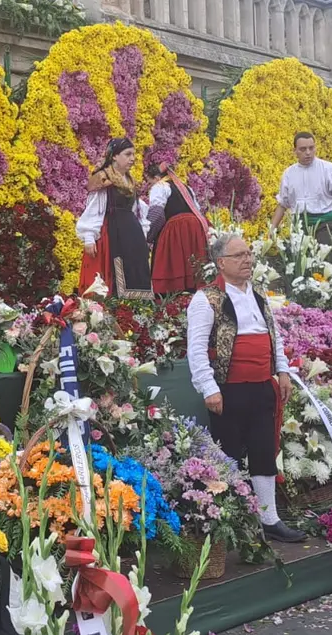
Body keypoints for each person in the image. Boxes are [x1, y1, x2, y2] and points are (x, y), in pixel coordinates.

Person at [187, 231, 304, 544]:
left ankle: (269, 519)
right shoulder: (206, 299)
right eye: (239, 255)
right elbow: (196, 348)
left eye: (249, 254)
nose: (248, 260)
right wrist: (209, 388)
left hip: (262, 386)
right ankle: (233, 519)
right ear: (221, 262)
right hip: (229, 389)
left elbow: (273, 336)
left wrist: (282, 370)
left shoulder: (259, 294)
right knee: (229, 455)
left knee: (264, 451)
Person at [78, 138, 152, 299]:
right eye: (128, 154)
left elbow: (137, 210)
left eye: (133, 154)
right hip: (113, 232)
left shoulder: (130, 181)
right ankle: (118, 306)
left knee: (136, 269)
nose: (132, 159)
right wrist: (89, 237)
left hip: (132, 233)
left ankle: (136, 308)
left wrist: (143, 234)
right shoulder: (103, 179)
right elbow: (94, 209)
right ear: (114, 156)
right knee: (118, 271)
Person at [270, 132, 332, 244]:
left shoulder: (329, 170)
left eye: (311, 148)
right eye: (303, 149)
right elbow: (283, 204)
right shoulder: (288, 174)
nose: (308, 152)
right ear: (295, 151)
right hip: (300, 227)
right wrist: (272, 229)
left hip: (326, 224)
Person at [144, 163, 209, 294]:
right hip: (194, 229)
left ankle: (173, 299)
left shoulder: (160, 186)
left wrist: (147, 235)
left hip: (176, 230)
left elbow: (157, 214)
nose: (150, 186)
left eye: (150, 182)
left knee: (174, 265)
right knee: (193, 266)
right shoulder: (186, 188)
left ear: (157, 178)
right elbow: (197, 210)